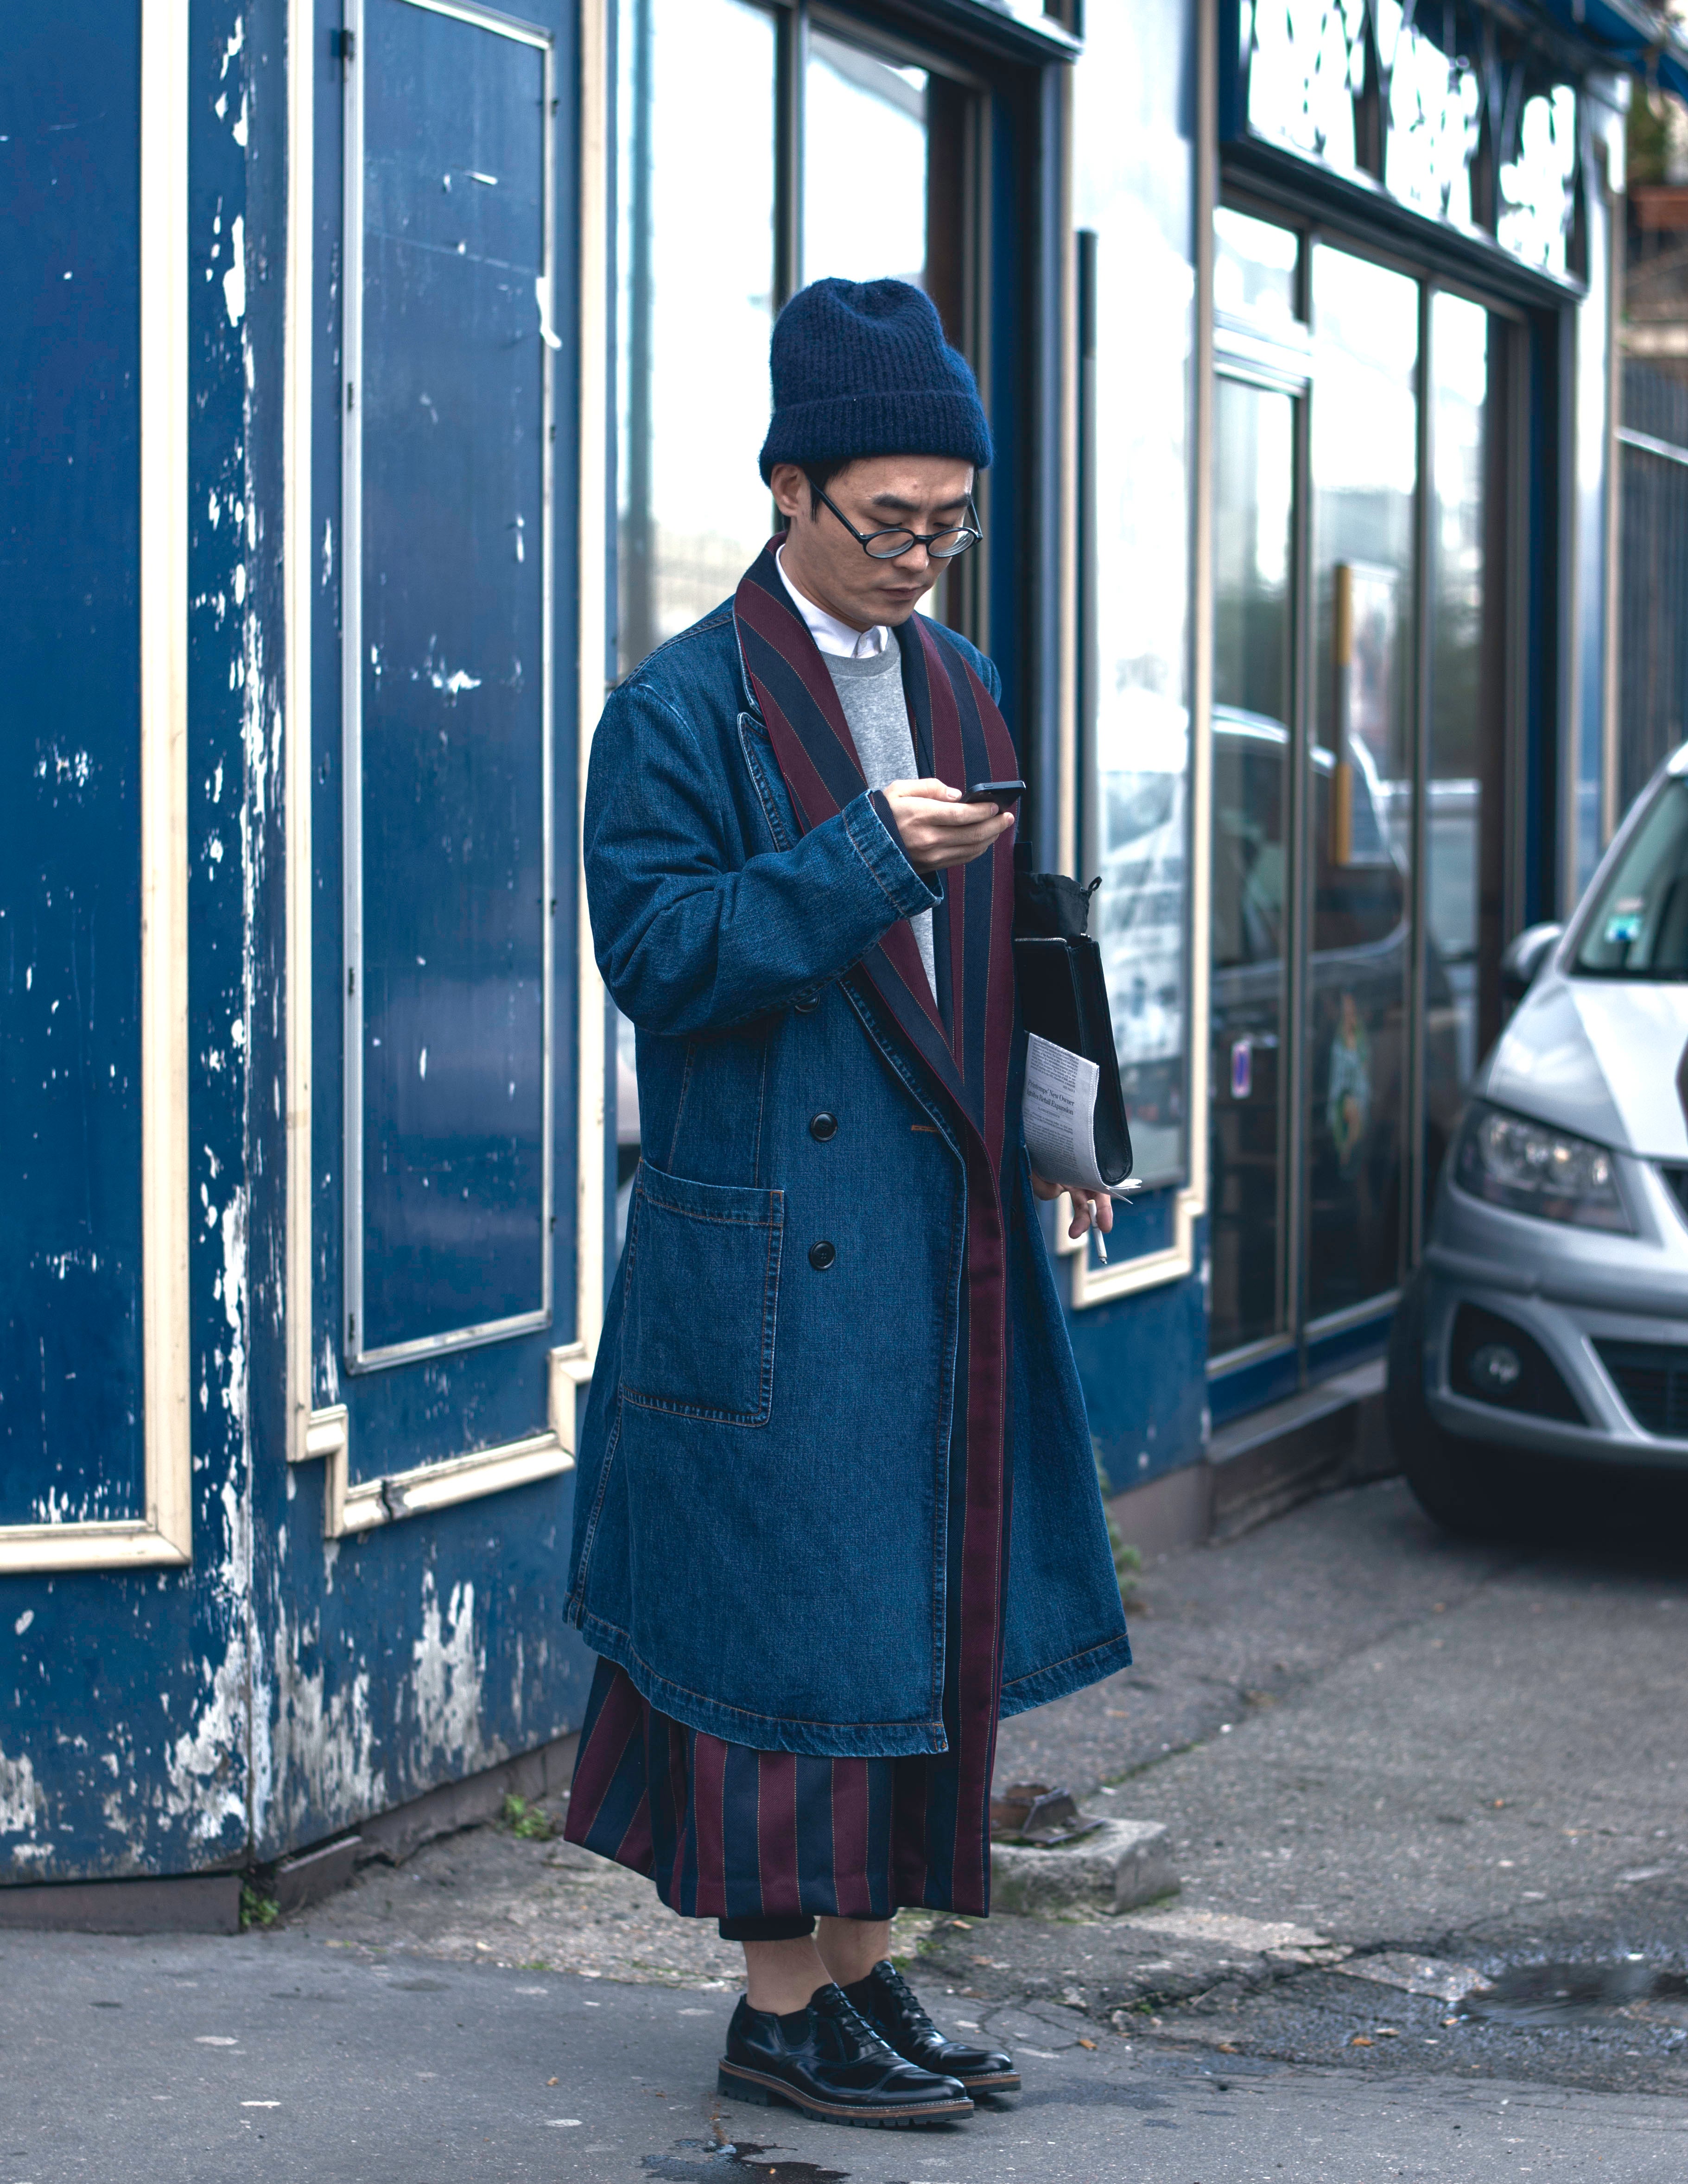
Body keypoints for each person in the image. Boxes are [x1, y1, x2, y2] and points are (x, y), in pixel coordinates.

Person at [562, 277, 1132, 2131]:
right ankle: (774, 2006)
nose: (917, 557)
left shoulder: (962, 679)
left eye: (947, 525)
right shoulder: (677, 708)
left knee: (912, 1619)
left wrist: (1069, 1142)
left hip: (948, 1238)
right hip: (772, 1269)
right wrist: (854, 864)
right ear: (787, 490)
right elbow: (657, 957)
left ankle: (867, 1982)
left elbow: (1033, 939)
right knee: (778, 1629)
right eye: (887, 523)